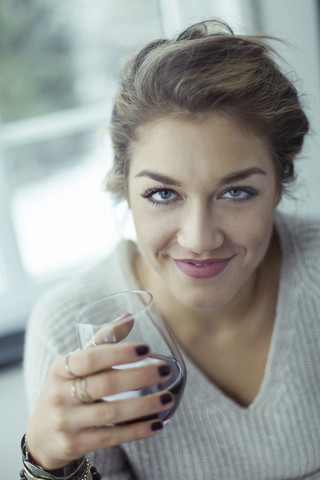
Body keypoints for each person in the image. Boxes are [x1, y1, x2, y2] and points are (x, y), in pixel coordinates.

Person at [22, 19, 320, 480]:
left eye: (236, 192)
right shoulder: (68, 330)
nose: (199, 239)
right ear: (124, 189)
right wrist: (46, 463)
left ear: (280, 183)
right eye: (163, 194)